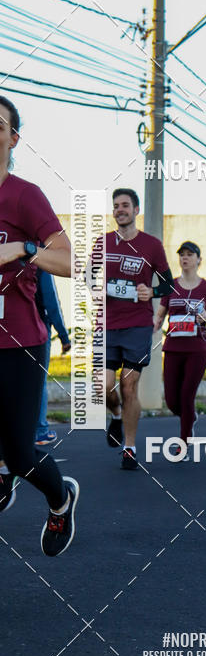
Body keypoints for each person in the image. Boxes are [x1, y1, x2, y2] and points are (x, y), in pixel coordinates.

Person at [0, 95, 78, 556]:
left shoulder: (24, 195)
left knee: (21, 453)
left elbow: (71, 260)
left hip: (17, 345)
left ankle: (59, 497)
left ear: (12, 139)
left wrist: (25, 249)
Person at [100, 189, 175, 470]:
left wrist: (150, 290)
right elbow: (86, 276)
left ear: (136, 209)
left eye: (125, 205)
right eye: (116, 206)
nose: (120, 209)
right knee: (104, 385)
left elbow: (168, 285)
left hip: (137, 325)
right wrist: (94, 288)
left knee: (130, 385)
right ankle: (116, 414)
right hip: (106, 324)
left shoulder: (152, 245)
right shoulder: (102, 243)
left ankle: (129, 448)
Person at [154, 242, 206, 461]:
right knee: (172, 400)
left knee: (186, 396)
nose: (185, 258)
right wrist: (149, 325)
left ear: (199, 259)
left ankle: (183, 443)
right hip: (173, 348)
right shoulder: (170, 286)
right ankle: (189, 419)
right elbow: (160, 314)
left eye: (190, 254)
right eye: (182, 254)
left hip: (197, 350)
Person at [35, 269, 71, 446]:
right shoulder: (40, 260)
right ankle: (40, 431)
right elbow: (51, 302)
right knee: (38, 380)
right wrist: (64, 336)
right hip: (38, 328)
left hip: (11, 328)